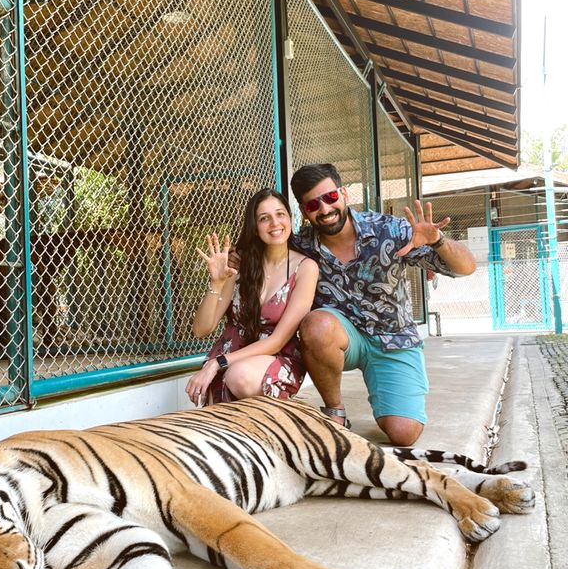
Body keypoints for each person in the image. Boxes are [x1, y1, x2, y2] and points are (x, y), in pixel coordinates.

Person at [289, 162, 476, 447]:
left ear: (343, 194)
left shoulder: (390, 230)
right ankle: (335, 412)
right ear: (304, 211)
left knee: (404, 433)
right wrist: (236, 260)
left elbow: (466, 268)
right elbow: (262, 256)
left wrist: (437, 241)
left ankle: (389, 395)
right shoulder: (300, 246)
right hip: (343, 337)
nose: (325, 209)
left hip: (393, 338)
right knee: (316, 325)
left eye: (330, 197)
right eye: (313, 204)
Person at [186, 189, 318, 407]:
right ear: (255, 228)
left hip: (274, 359)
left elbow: (277, 340)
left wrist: (217, 363)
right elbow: (201, 329)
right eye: (264, 218)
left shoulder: (305, 268)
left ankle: (276, 415)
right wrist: (216, 283)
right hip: (230, 356)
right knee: (227, 393)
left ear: (290, 218)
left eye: (280, 214)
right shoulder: (238, 263)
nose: (275, 223)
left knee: (239, 376)